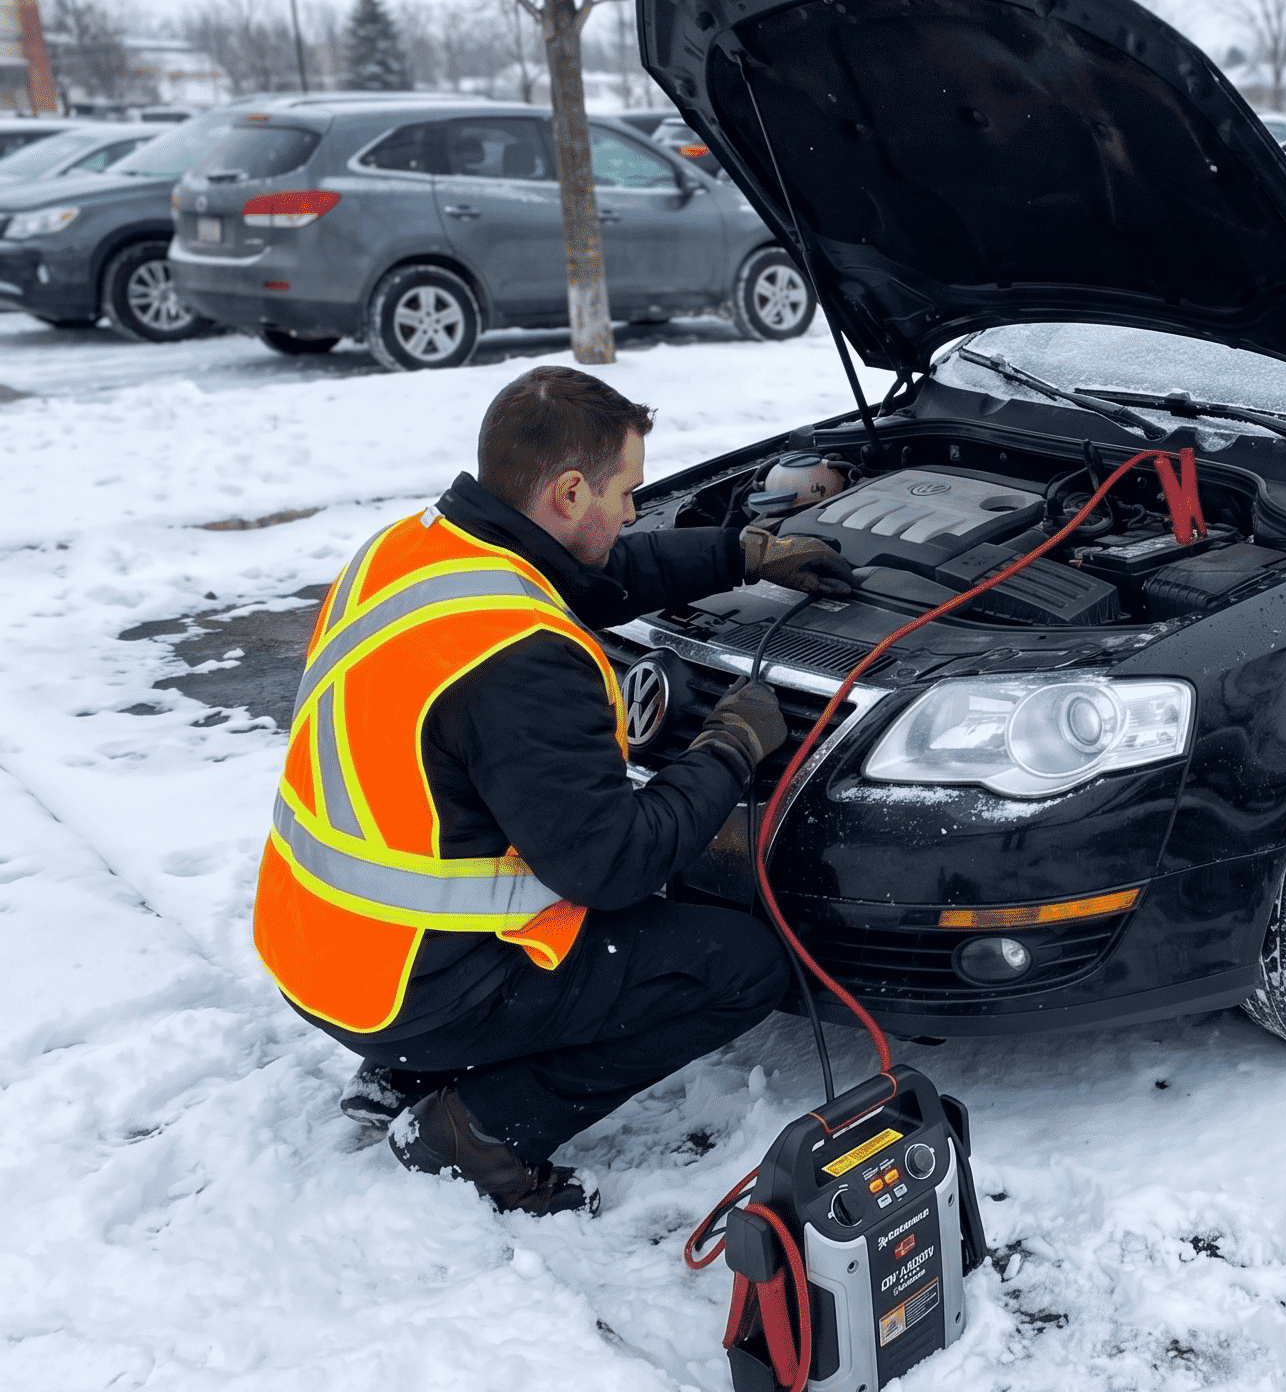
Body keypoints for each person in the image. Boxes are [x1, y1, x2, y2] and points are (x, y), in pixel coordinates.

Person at [252, 365, 852, 1215]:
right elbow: (612, 866)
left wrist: (737, 553)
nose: (636, 512)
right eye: (626, 492)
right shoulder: (522, 657)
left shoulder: (414, 551)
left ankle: (405, 1071)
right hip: (417, 983)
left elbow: (588, 577)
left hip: (318, 949)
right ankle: (482, 1129)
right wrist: (728, 747)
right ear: (571, 492)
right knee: (741, 969)